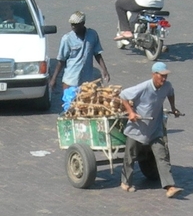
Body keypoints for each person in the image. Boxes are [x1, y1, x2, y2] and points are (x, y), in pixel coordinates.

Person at [119, 62, 183, 198]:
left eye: (166, 76)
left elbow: (170, 93)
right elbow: (123, 95)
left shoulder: (167, 86)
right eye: (161, 76)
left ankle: (170, 187)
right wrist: (130, 112)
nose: (164, 79)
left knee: (162, 156)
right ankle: (125, 182)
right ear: (154, 75)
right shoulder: (143, 87)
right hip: (137, 129)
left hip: (155, 129)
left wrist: (173, 107)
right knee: (130, 157)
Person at [50, 11, 110, 91]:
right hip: (71, 80)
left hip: (87, 80)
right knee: (70, 102)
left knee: (84, 102)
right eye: (72, 24)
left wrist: (104, 70)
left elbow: (97, 54)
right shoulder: (67, 39)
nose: (73, 27)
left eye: (76, 25)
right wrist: (54, 79)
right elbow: (61, 60)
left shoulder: (92, 35)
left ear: (83, 23)